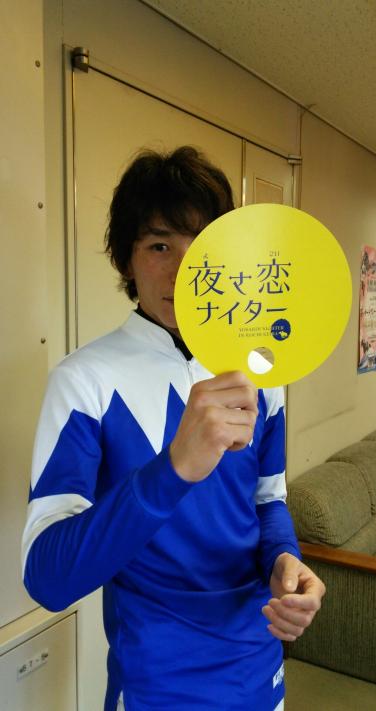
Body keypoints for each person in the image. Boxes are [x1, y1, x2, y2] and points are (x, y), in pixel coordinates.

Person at [22, 146, 325, 711]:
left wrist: (284, 560)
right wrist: (175, 469)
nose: (186, 273)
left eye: (203, 247)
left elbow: (268, 501)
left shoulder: (260, 370)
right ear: (126, 260)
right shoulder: (84, 381)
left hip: (259, 667)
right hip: (154, 683)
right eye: (160, 246)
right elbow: (48, 577)